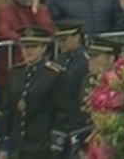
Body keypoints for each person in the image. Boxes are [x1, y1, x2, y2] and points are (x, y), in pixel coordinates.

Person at [5, 25, 66, 159]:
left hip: (41, 146)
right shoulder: (14, 73)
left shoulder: (53, 75)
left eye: (34, 47)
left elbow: (60, 112)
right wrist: (5, 143)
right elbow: (8, 110)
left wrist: (56, 143)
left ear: (43, 48)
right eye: (25, 47)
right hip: (18, 147)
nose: (29, 51)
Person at [51, 21, 90, 153]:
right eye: (59, 40)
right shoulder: (59, 60)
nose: (61, 44)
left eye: (64, 39)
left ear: (77, 37)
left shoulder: (85, 61)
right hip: (61, 120)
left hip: (77, 121)